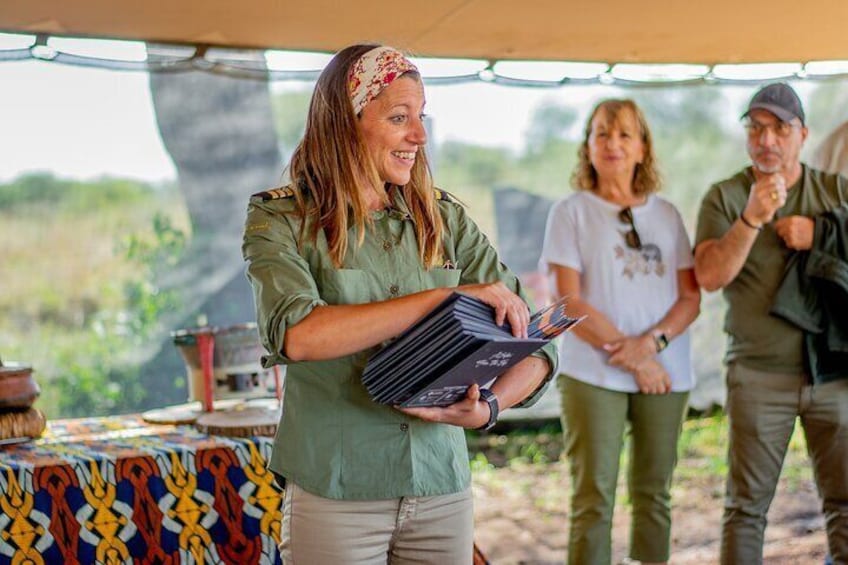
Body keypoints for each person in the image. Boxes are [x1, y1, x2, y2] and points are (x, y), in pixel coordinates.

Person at [241, 44, 557, 564]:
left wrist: (491, 407)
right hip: (336, 490)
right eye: (398, 117)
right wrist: (441, 298)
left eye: (421, 116)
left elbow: (534, 341)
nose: (420, 135)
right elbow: (299, 333)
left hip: (440, 488)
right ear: (346, 124)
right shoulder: (281, 220)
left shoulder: (445, 220)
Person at [540, 99, 701, 565]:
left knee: (655, 494)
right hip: (593, 375)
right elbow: (566, 301)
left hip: (665, 376)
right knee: (593, 498)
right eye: (601, 133)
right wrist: (635, 358)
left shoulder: (667, 215)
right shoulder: (571, 212)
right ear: (587, 146)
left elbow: (690, 298)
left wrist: (651, 348)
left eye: (624, 134)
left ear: (643, 147)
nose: (612, 144)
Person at [694, 82, 848, 565]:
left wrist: (820, 233)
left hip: (835, 378)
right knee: (746, 509)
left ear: (803, 134)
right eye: (756, 127)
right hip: (758, 376)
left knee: (846, 506)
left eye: (780, 128)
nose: (767, 140)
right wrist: (752, 219)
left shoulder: (835, 190)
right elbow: (709, 275)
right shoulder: (725, 196)